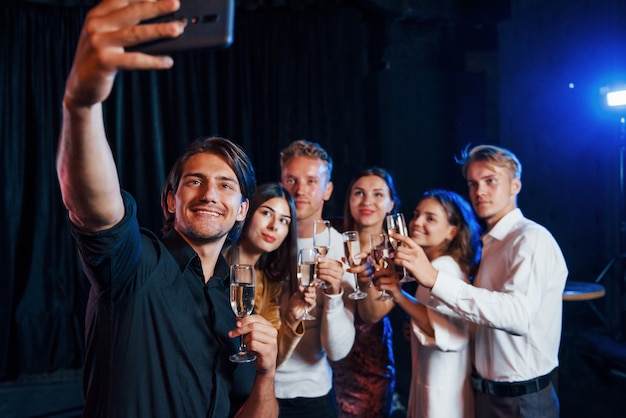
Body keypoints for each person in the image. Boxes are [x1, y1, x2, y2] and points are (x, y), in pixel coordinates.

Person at [55, 1, 278, 416]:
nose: (210, 194)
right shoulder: (133, 264)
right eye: (194, 181)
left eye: (226, 185)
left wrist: (266, 376)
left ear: (243, 209)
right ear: (168, 201)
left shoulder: (235, 297)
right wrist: (81, 105)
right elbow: (93, 205)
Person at [386, 145, 568, 418]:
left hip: (522, 399)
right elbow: (479, 319)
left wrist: (433, 279)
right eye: (473, 183)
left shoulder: (531, 239)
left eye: (490, 181)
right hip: (484, 394)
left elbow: (518, 316)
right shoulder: (491, 244)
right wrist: (422, 321)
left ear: (515, 185)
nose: (479, 191)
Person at [372, 189, 481, 418]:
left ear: (452, 231)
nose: (417, 222)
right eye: (416, 214)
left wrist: (399, 294)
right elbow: (433, 318)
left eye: (430, 218)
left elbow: (448, 331)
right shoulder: (435, 266)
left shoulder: (444, 269)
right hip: (434, 382)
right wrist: (415, 322)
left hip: (443, 393)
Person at [275, 139, 356, 418]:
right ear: (281, 183)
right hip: (256, 388)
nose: (299, 190)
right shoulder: (262, 240)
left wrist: (334, 295)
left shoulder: (344, 248)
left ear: (328, 190)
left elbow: (338, 351)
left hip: (313, 394)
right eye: (291, 180)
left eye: (311, 181)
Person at [223, 182, 317, 367]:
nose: (274, 226)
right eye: (266, 213)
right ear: (247, 211)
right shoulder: (215, 260)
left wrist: (291, 318)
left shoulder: (269, 282)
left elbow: (274, 360)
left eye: (284, 221)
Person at [330, 167, 399, 418]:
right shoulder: (332, 233)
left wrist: (364, 276)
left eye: (378, 194)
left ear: (391, 203)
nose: (367, 201)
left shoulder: (397, 252)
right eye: (358, 193)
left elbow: (372, 314)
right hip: (322, 355)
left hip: (368, 364)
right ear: (348, 199)